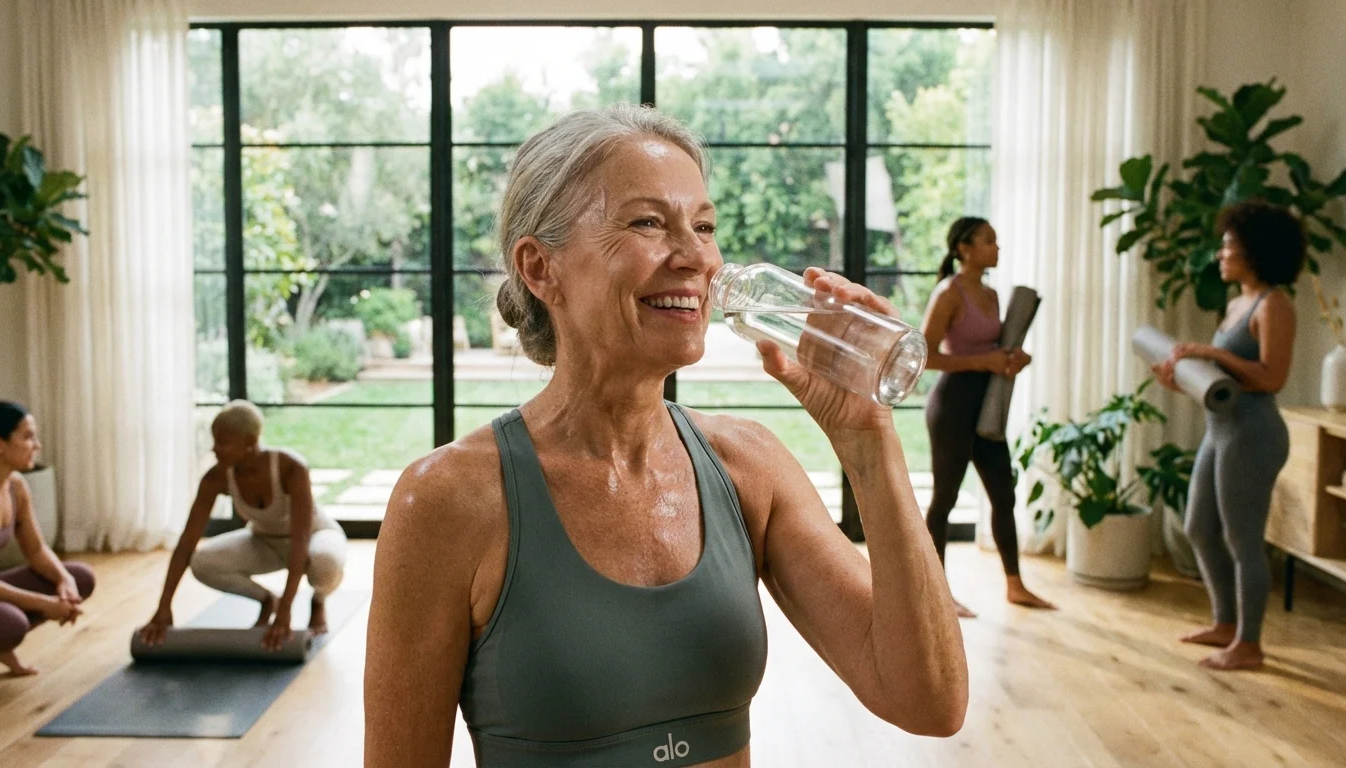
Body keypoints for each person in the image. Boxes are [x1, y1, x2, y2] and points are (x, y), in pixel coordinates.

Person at [364, 104, 969, 767]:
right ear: (541, 269)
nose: (696, 258)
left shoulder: (749, 467)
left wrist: (868, 442)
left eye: (704, 226)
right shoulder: (450, 500)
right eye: (648, 223)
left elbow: (929, 703)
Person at [1152, 200, 1300, 671]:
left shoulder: (1273, 304)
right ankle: (1224, 624)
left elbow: (1271, 377)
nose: (1220, 254)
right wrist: (1182, 377)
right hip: (1223, 428)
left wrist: (1207, 351)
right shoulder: (1237, 303)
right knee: (1197, 525)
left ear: (1254, 251)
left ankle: (1249, 644)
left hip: (1254, 433)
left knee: (1243, 540)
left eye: (1228, 246)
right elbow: (1227, 382)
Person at [918, 217, 1052, 618]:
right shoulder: (949, 293)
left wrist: (1013, 358)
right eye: (988, 241)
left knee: (1003, 493)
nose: (997, 248)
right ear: (965, 249)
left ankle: (1015, 585)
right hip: (953, 405)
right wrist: (985, 360)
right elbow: (925, 355)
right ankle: (937, 593)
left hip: (987, 407)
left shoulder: (993, 295)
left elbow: (996, 349)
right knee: (945, 498)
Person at [138, 400, 346, 651]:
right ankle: (269, 600)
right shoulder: (216, 477)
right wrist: (164, 606)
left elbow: (300, 540)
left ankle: (318, 600)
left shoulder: (291, 468)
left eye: (223, 442)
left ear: (250, 443)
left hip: (314, 535)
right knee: (202, 562)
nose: (214, 449)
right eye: (214, 441)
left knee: (325, 562)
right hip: (264, 541)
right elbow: (187, 541)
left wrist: (287, 614)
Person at [0, 401, 95, 698]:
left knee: (80, 576)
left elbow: (37, 551)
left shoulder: (15, 485)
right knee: (11, 624)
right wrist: (42, 603)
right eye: (27, 437)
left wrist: (64, 580)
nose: (36, 446)